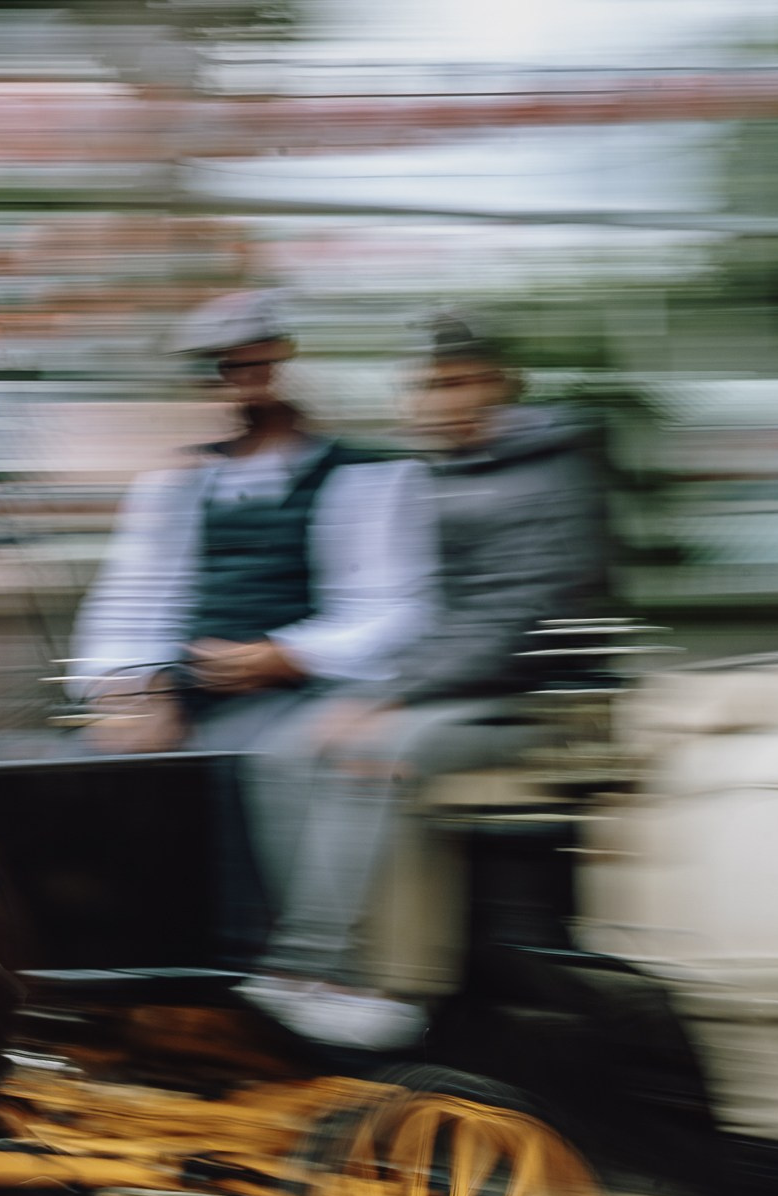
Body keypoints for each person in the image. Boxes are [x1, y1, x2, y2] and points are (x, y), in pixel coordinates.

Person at [234, 313, 607, 1049]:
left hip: (541, 697)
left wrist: (389, 696)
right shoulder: (428, 472)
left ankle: (338, 974)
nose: (439, 402)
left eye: (458, 382)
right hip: (448, 685)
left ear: (502, 386)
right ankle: (300, 969)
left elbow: (515, 618)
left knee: (372, 753)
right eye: (425, 387)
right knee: (279, 754)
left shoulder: (553, 473)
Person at [68, 290, 435, 980]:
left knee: (261, 764)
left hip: (309, 688)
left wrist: (285, 655)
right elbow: (129, 598)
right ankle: (134, 973)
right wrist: (134, 689)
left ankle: (288, 967)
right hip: (190, 691)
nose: (246, 380)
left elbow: (395, 607)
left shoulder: (370, 476)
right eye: (228, 367)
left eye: (260, 362)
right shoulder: (176, 485)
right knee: (96, 780)